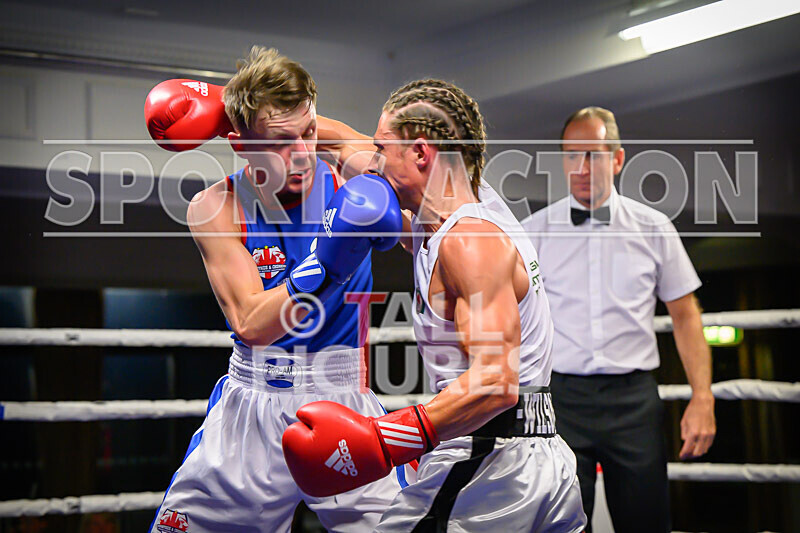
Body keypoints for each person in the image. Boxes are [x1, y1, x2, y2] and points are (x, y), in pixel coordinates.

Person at [281, 79, 587, 532]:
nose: (374, 164)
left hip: (490, 466)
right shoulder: (455, 213)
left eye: (383, 149)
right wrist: (237, 113)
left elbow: (495, 384)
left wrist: (383, 440)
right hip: (535, 456)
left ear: (421, 154)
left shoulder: (469, 242)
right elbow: (344, 143)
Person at [143, 47, 408, 533]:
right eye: (283, 142)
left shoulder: (350, 172)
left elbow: (424, 226)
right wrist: (329, 259)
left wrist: (250, 104)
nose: (303, 152)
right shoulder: (215, 206)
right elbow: (250, 322)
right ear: (240, 146)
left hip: (341, 394)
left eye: (309, 132)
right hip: (252, 401)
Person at [521, 107, 716, 532]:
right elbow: (514, 322)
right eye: (571, 155)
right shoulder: (533, 232)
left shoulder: (653, 227)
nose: (582, 167)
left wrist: (702, 397)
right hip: (561, 399)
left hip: (634, 400)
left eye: (593, 154)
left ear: (618, 158)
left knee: (646, 521)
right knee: (561, 523)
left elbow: (685, 316)